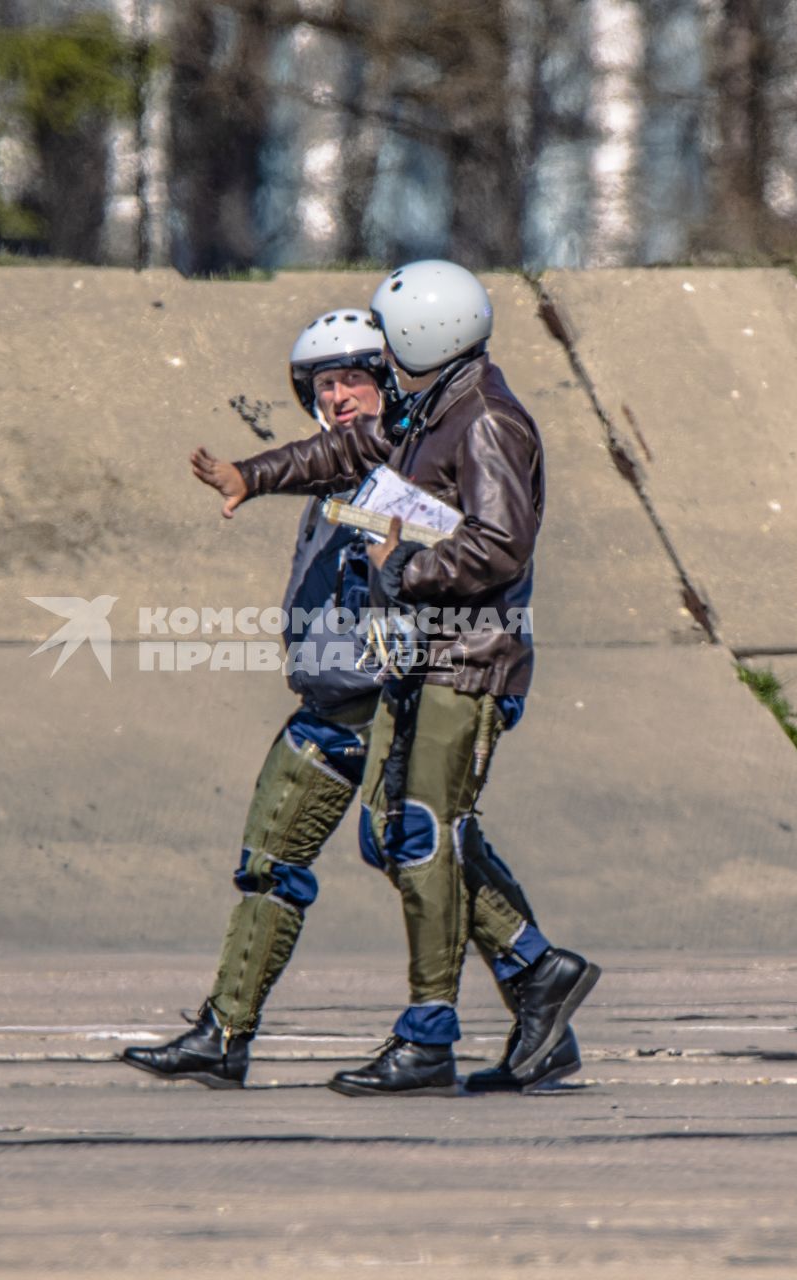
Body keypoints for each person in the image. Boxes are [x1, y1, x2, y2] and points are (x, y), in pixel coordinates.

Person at [183, 260, 599, 1097]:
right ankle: (529, 982)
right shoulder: (434, 412)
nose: (353, 385)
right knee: (408, 841)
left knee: (418, 839)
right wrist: (251, 475)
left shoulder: (481, 419)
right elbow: (348, 447)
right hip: (431, 665)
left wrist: (403, 565)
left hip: (461, 659)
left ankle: (437, 1031)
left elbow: (499, 545)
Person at [122, 309, 401, 1089]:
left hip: (391, 709)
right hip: (326, 709)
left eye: (356, 378)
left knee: (425, 860)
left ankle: (531, 972)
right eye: (326, 384)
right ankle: (224, 1033)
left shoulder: (408, 458)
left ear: (390, 381)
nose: (342, 397)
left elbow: (364, 467)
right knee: (268, 866)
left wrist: (262, 474)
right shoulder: (335, 474)